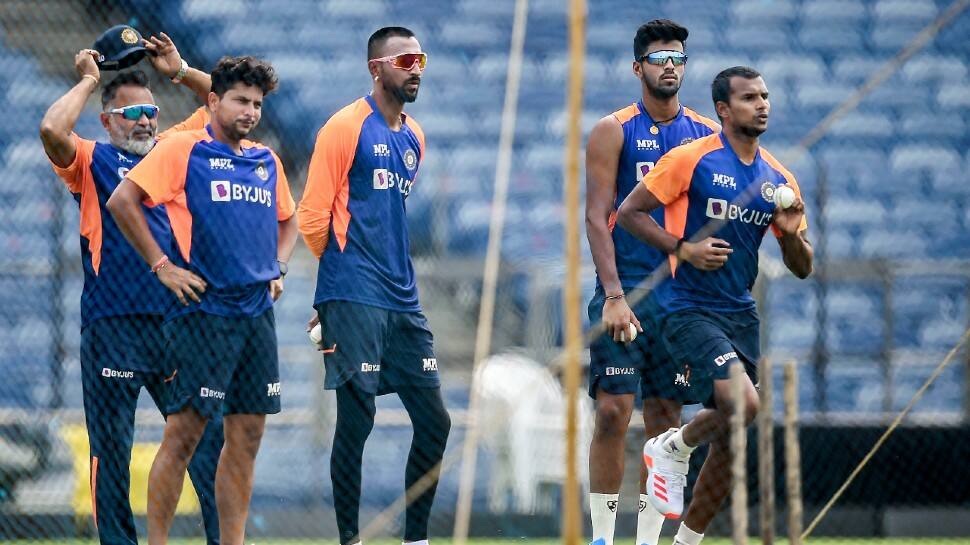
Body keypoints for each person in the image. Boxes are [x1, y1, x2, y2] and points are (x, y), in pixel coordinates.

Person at [39, 31, 222, 545]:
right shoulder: (92, 159)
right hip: (112, 327)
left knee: (208, 448)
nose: (144, 120)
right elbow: (52, 127)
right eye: (131, 113)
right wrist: (90, 80)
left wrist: (181, 70)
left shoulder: (175, 150)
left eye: (150, 112)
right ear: (107, 121)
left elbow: (227, 106)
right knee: (111, 454)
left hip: (177, 325)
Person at [105, 55, 298, 545]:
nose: (250, 111)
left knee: (248, 437)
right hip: (203, 314)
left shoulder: (266, 159)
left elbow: (289, 221)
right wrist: (162, 266)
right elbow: (122, 201)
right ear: (213, 101)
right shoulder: (183, 149)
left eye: (257, 104)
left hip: (257, 316)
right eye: (240, 100)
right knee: (184, 437)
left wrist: (280, 265)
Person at [616, 66, 813, 545]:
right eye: (749, 98)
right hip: (686, 307)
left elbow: (803, 266)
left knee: (734, 432)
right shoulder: (693, 159)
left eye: (765, 96)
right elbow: (628, 213)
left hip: (739, 313)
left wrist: (789, 236)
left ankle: (686, 542)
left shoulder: (778, 178)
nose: (761, 104)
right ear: (724, 109)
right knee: (744, 403)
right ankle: (672, 445)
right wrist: (682, 249)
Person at [298, 26, 450, 545]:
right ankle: (349, 539)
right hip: (354, 294)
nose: (416, 68)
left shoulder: (415, 137)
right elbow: (313, 216)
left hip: (403, 300)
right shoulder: (344, 126)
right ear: (376, 68)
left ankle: (416, 539)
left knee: (436, 422)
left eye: (420, 59)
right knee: (358, 418)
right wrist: (339, 287)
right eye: (404, 59)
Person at [584, 19, 719, 545]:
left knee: (665, 422)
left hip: (680, 302)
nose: (670, 66)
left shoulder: (707, 135)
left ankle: (645, 541)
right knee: (614, 411)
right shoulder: (613, 129)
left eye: (678, 59)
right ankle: (601, 538)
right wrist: (614, 295)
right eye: (660, 58)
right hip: (626, 292)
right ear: (638, 66)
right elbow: (598, 217)